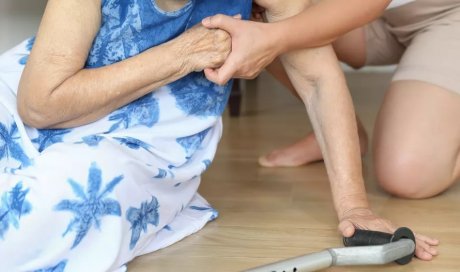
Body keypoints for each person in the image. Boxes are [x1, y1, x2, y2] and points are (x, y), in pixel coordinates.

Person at [0, 0, 252, 271]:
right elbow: (38, 105)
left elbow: (303, 68)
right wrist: (182, 54)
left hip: (139, 142)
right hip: (41, 91)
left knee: (33, 216)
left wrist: (275, 40)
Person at [201, 0, 441, 261]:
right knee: (258, 17)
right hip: (377, 24)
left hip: (441, 13)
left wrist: (355, 205)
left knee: (405, 173)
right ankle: (349, 133)